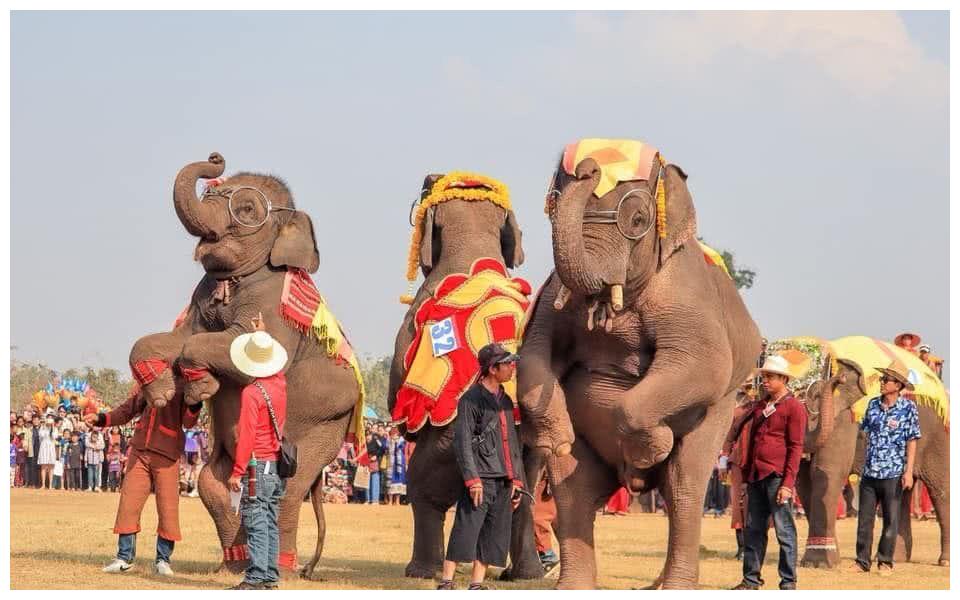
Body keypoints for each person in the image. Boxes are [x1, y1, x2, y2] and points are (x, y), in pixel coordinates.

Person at [89, 381, 202, 576]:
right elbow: (126, 410)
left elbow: (189, 422)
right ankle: (124, 557)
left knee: (168, 508)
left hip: (167, 454)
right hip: (139, 450)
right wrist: (101, 419)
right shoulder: (148, 382)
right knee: (128, 503)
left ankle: (163, 561)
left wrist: (195, 402)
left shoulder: (184, 384)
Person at [437, 343, 524, 590]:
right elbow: (463, 441)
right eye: (507, 364)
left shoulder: (506, 400)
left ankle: (476, 584)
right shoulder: (470, 400)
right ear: (493, 369)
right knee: (466, 527)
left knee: (492, 531)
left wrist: (516, 480)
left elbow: (512, 444)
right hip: (480, 477)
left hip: (503, 477)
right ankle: (447, 581)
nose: (511, 368)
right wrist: (472, 479)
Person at [724, 354, 806, 590]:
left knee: (784, 530)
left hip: (777, 477)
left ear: (783, 378)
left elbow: (795, 447)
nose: (766, 381)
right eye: (764, 377)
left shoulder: (794, 407)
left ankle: (788, 582)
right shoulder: (761, 406)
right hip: (756, 476)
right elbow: (753, 441)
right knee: (754, 529)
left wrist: (787, 484)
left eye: (770, 377)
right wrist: (747, 476)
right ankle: (751, 580)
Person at [226, 317, 288, 590]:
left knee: (256, 521)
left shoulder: (252, 392)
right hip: (274, 466)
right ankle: (270, 576)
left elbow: (247, 436)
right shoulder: (280, 384)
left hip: (256, 464)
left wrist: (237, 472)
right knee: (271, 520)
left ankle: (255, 578)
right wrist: (262, 334)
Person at [848, 360, 921, 575]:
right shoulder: (872, 405)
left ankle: (885, 562)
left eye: (886, 380)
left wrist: (908, 471)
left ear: (898, 385)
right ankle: (862, 562)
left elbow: (912, 440)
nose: (882, 382)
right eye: (882, 378)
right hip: (870, 473)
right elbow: (863, 433)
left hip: (894, 473)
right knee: (865, 520)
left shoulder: (908, 408)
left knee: (891, 519)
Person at [723, 378, 759, 561]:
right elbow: (728, 437)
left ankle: (755, 548)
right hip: (739, 461)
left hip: (761, 461)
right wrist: (724, 458)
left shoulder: (768, 407)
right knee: (739, 504)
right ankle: (742, 547)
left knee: (757, 506)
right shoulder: (737, 410)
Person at [386, 427, 407, 505]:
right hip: (391, 463)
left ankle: (397, 501)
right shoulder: (388, 441)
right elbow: (385, 447)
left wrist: (396, 441)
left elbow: (402, 448)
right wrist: (390, 440)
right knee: (390, 481)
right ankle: (390, 500)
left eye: (395, 433)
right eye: (392, 434)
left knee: (399, 481)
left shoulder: (402, 441)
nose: (394, 435)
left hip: (399, 463)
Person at [37, 416, 59, 489]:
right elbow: (41, 435)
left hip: (51, 446)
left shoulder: (55, 429)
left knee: (51, 466)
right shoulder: (42, 428)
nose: (49, 423)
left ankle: (50, 485)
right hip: (44, 446)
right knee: (43, 466)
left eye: (50, 422)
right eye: (48, 422)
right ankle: (43, 484)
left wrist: (52, 427)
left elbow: (54, 436)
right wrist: (43, 426)